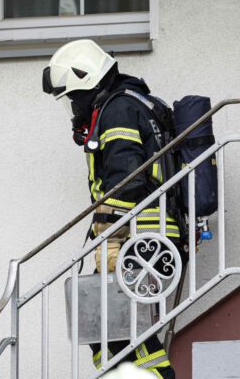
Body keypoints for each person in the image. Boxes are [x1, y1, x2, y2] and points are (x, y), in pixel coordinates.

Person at [43, 39, 177, 378]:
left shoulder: (118, 110)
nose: (74, 107)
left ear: (88, 81)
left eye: (74, 97)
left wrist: (109, 236)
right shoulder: (133, 102)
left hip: (138, 237)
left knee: (121, 333)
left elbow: (127, 177)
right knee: (106, 332)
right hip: (143, 236)